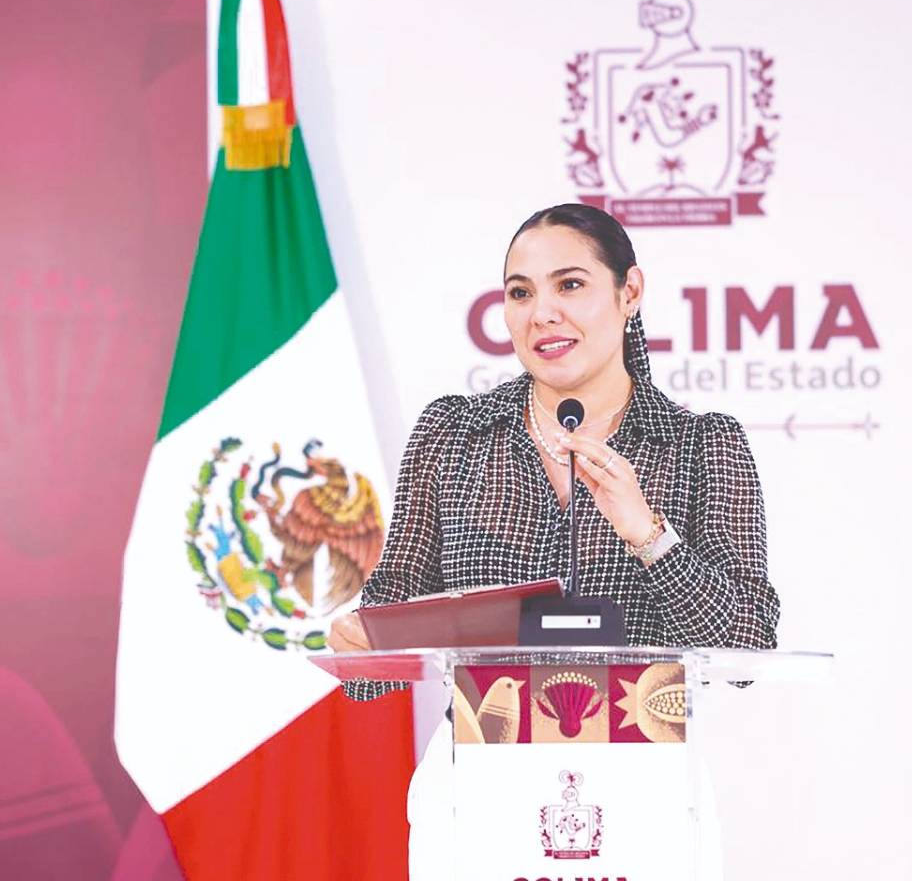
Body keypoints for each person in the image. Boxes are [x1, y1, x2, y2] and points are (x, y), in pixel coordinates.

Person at [330, 202, 781, 651]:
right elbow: (386, 626)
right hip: (484, 703)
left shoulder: (701, 445)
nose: (541, 314)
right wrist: (359, 640)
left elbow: (749, 643)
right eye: (520, 293)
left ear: (629, 292)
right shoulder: (453, 433)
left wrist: (650, 537)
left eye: (570, 285)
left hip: (640, 703)